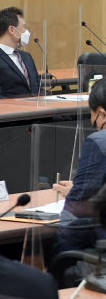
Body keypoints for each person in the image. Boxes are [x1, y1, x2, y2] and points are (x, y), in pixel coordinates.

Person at [52, 80, 106, 253]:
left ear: (102, 114)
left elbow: (75, 215)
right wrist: (79, 191)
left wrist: (61, 258)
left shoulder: (99, 142)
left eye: (93, 117)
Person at [0, 7, 39, 99]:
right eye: (24, 27)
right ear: (12, 30)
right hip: (14, 111)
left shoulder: (27, 56)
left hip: (38, 109)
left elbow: (38, 88)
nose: (27, 32)